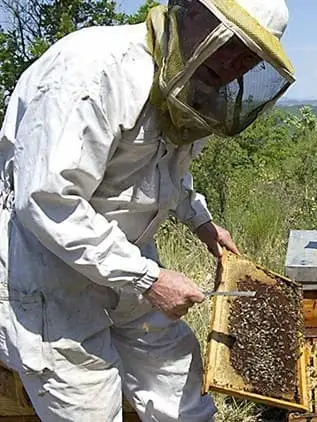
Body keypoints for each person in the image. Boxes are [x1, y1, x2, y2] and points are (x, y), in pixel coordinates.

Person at [0, 0, 295, 420]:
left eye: (249, 57)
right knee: (90, 408)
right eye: (230, 42)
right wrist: (148, 278)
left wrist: (201, 221)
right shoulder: (92, 69)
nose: (233, 64)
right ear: (193, 11)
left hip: (128, 262)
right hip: (51, 277)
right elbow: (49, 199)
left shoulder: (188, 81)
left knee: (181, 389)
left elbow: (165, 171)